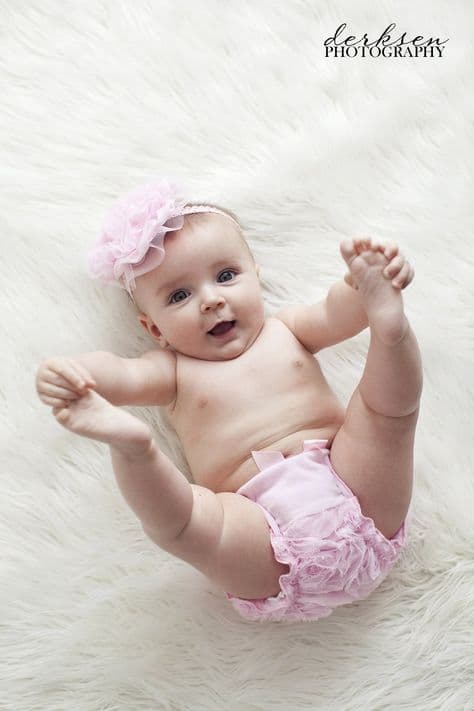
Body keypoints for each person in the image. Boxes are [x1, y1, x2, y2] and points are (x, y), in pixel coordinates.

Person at [35, 178, 423, 622]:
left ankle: (391, 329)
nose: (211, 300)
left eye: (225, 276)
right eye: (179, 295)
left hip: (354, 483)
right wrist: (79, 375)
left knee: (385, 415)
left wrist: (360, 286)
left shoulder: (288, 329)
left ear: (255, 278)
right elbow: (122, 373)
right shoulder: (175, 371)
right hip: (257, 529)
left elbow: (335, 314)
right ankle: (134, 450)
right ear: (156, 330)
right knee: (188, 525)